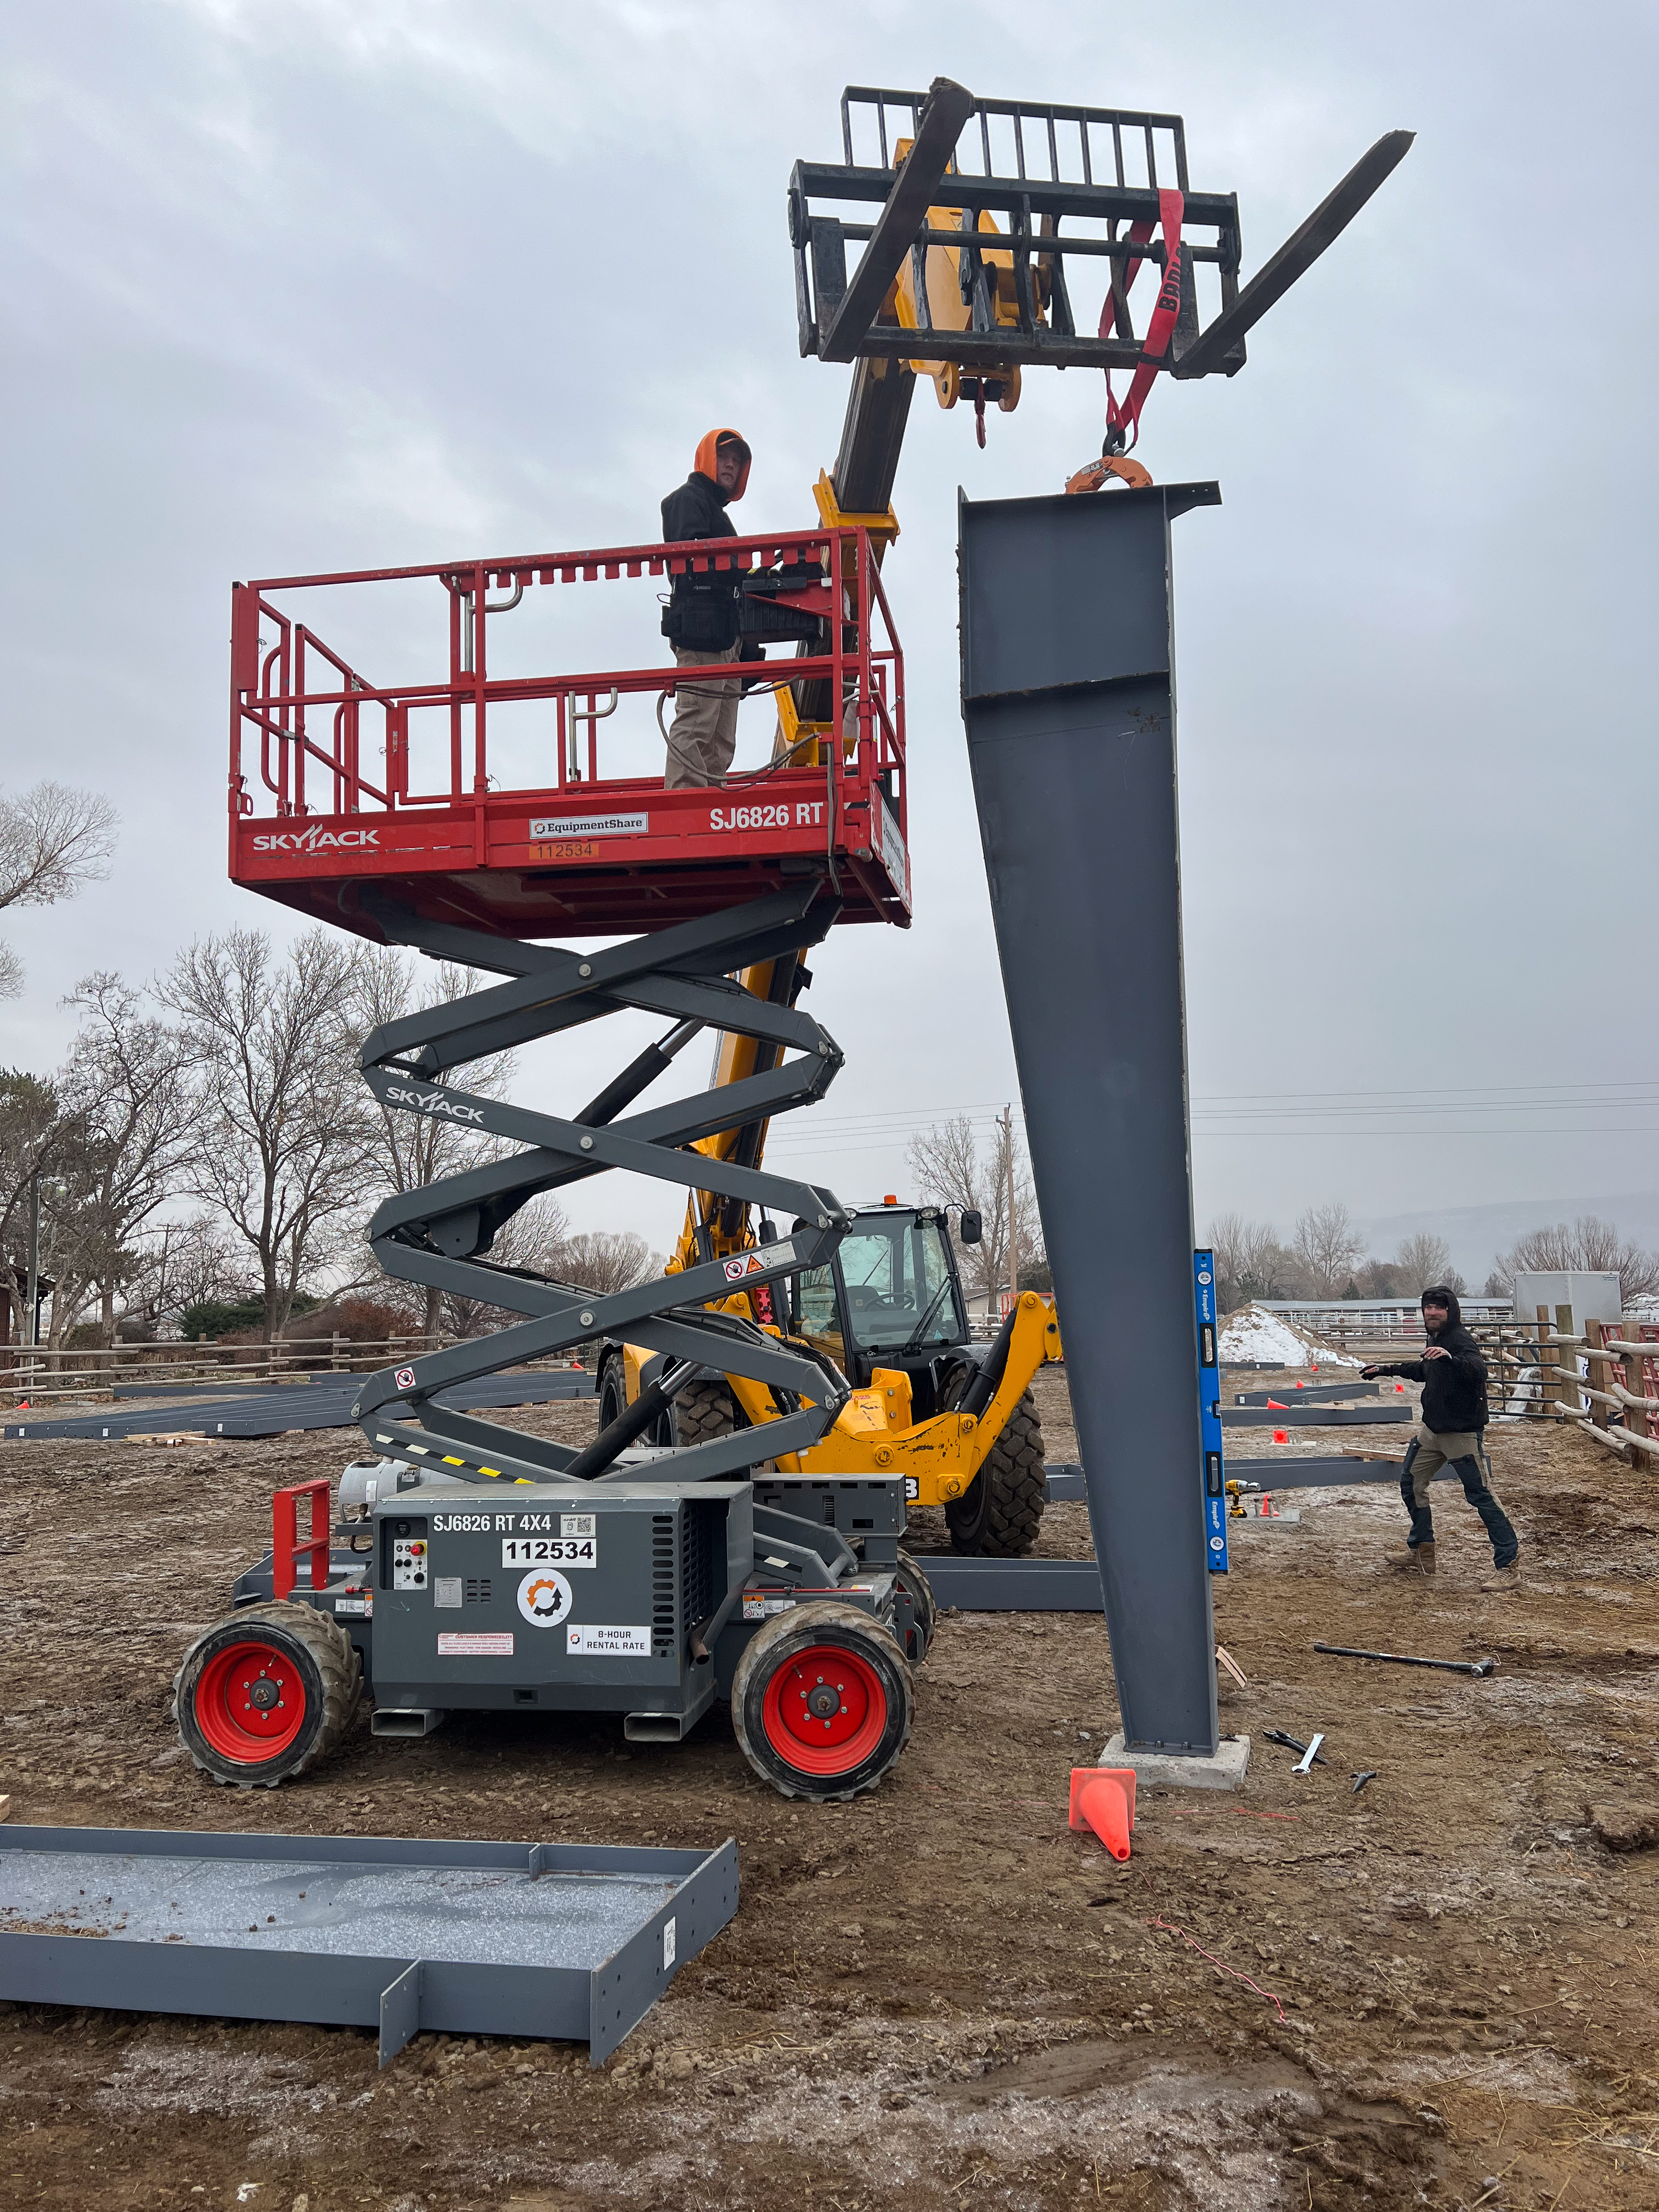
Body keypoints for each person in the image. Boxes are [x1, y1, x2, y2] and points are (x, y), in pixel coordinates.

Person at [1363, 1286, 1521, 1588]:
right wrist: (1388, 1369)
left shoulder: (1459, 1340)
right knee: (1411, 1483)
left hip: (1461, 1435)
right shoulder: (1435, 1338)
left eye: (1439, 1308)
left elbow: (1477, 1370)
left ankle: (1508, 1564)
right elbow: (1426, 1370)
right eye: (1428, 1308)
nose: (1432, 1312)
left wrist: (1451, 1358)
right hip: (1432, 1432)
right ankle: (1422, 1551)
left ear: (1451, 1311)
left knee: (1481, 1496)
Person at [659, 429, 761, 789]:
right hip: (703, 631)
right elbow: (694, 552)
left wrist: (747, 646)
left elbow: (732, 576)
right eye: (724, 457)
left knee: (720, 735)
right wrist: (744, 567)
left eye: (737, 460)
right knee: (698, 723)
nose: (731, 464)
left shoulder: (715, 512)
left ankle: (709, 806)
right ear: (706, 458)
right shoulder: (687, 500)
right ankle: (686, 801)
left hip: (723, 634)